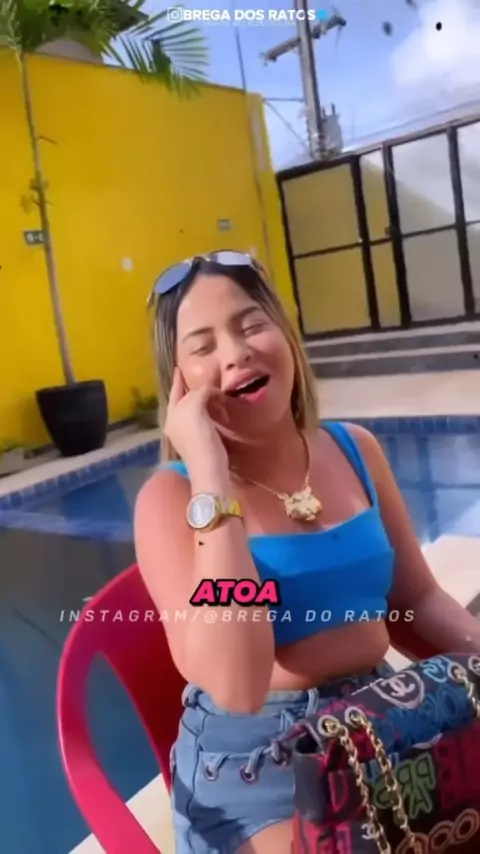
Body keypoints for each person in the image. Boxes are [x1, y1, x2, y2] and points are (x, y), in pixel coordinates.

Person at [134, 250, 480, 854]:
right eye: (203, 346)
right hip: (254, 769)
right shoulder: (171, 500)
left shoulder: (354, 449)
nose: (235, 354)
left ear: (285, 334)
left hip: (375, 723)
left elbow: (417, 601)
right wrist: (211, 478)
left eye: (250, 325)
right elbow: (238, 683)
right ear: (179, 381)